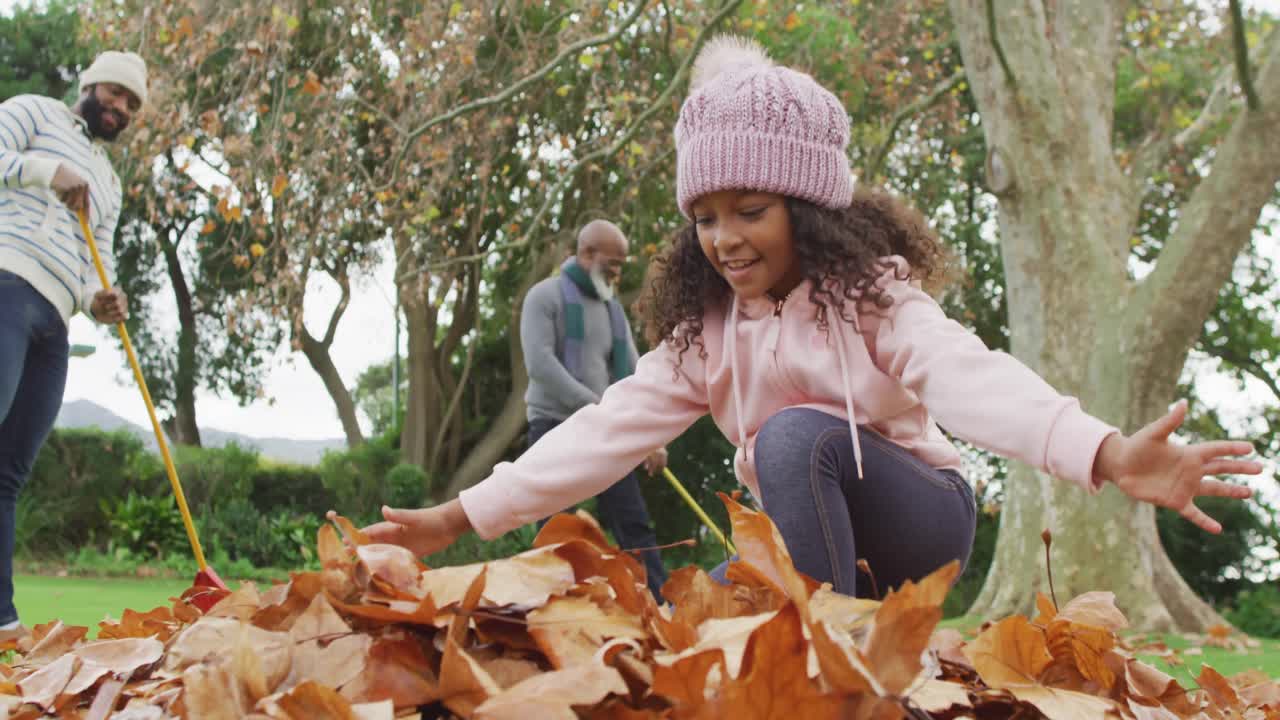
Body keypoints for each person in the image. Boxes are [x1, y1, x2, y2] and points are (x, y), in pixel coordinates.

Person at [362, 37, 1259, 599]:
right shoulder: (703, 334)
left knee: (793, 438)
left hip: (916, 519)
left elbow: (967, 375)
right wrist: (460, 516)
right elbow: (603, 431)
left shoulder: (870, 298)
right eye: (704, 217)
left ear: (809, 206)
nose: (725, 239)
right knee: (676, 611)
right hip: (805, 540)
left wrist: (1105, 452)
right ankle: (792, 623)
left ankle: (820, 654)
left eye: (751, 209)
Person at [0, 51, 146, 640]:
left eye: (132, 104)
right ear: (90, 84)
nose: (121, 107)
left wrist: (101, 299)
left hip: (55, 323)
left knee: (8, 471)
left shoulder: (110, 182)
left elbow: (98, 260)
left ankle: (0, 619)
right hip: (7, 283)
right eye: (115, 93)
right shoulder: (31, 112)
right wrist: (47, 171)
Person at [519, 220, 669, 597]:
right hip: (553, 423)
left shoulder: (612, 310)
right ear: (587, 253)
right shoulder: (544, 296)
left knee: (634, 523)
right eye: (612, 263)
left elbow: (636, 374)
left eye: (621, 264)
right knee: (555, 527)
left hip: (605, 430)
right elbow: (540, 365)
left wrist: (650, 434)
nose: (617, 272)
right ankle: (545, 603)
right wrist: (597, 405)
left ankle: (662, 606)